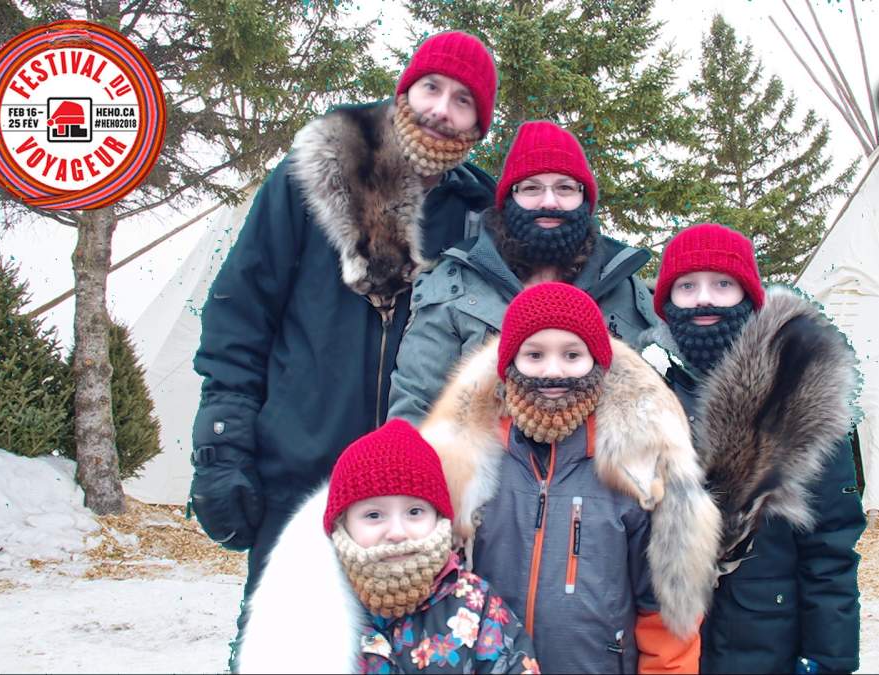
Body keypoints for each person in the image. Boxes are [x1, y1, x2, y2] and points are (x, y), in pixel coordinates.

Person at [188, 31, 499, 669]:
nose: (441, 108)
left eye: (463, 100)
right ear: (404, 90)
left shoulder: (481, 217)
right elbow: (240, 315)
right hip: (302, 468)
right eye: (431, 88)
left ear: (479, 125)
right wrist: (223, 444)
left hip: (420, 498)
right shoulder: (313, 177)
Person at [418, 282, 721, 674]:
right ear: (509, 364)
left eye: (572, 355)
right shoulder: (472, 461)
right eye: (535, 355)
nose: (553, 371)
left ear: (597, 363)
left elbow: (665, 613)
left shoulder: (636, 468)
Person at [640, 223, 865, 674]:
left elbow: (830, 548)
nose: (704, 298)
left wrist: (828, 656)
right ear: (666, 304)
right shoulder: (645, 394)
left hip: (765, 641)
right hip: (663, 643)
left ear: (749, 296)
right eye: (687, 286)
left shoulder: (799, 392)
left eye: (723, 284)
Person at [387, 120, 657, 424]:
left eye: (565, 188)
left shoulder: (625, 289)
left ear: (585, 198)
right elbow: (416, 403)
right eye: (531, 188)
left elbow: (656, 402)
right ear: (509, 199)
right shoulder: (454, 283)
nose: (549, 202)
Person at [235, 419, 540, 674]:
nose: (396, 532)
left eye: (414, 512)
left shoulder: (476, 605)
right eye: (373, 515)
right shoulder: (304, 605)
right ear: (342, 524)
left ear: (439, 518)